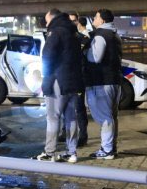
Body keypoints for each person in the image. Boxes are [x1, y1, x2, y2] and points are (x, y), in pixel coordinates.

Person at [36, 8, 83, 162]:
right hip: (73, 80)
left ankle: (49, 152)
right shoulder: (73, 32)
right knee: (71, 117)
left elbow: (47, 55)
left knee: (53, 117)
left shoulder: (55, 32)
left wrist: (46, 76)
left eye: (46, 19)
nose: (46, 22)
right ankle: (72, 152)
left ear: (52, 17)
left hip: (58, 80)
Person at [84, 8, 123, 159]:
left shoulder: (100, 35)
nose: (94, 19)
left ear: (102, 20)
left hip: (101, 81)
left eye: (96, 17)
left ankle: (106, 150)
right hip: (115, 81)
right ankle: (111, 147)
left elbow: (95, 57)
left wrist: (86, 51)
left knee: (105, 117)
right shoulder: (115, 35)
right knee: (112, 116)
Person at [67, 12, 90, 147]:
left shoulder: (84, 39)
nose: (73, 24)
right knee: (65, 108)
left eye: (74, 21)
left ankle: (83, 135)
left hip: (78, 78)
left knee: (79, 108)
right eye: (70, 21)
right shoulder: (63, 38)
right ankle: (65, 132)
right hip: (65, 78)